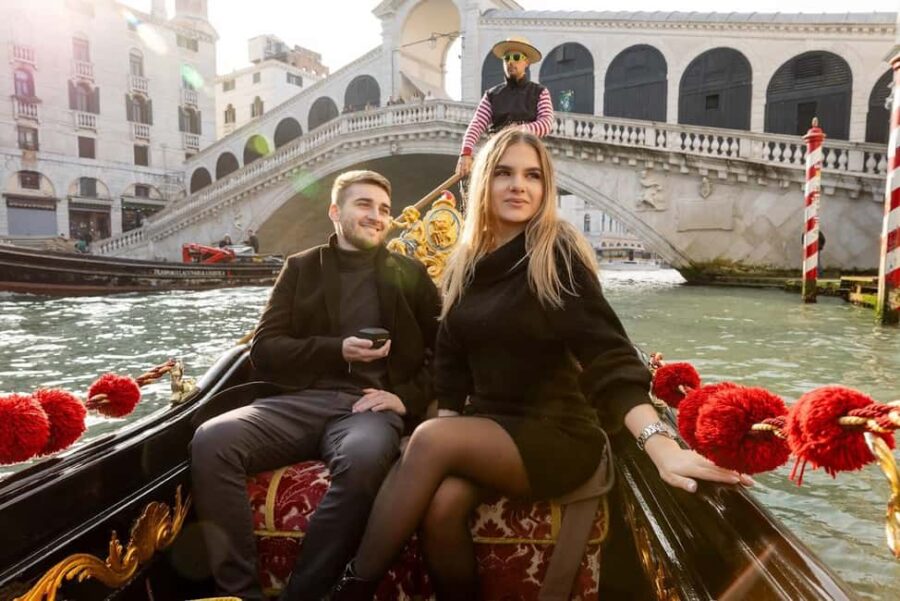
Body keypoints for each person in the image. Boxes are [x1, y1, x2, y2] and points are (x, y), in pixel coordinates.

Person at [330, 130, 753, 600]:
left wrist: (661, 446)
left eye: (533, 175)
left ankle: (350, 590)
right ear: (485, 183)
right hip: (491, 426)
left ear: (545, 187)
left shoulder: (556, 253)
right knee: (442, 506)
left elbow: (606, 354)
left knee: (427, 439)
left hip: (558, 434)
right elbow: (451, 359)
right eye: (505, 173)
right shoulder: (467, 261)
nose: (519, 186)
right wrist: (448, 428)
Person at [190, 170, 441, 601]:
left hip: (368, 408)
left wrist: (404, 398)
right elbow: (265, 350)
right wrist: (336, 350)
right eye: (364, 205)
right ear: (335, 212)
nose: (377, 216)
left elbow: (445, 354)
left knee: (362, 459)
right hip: (299, 403)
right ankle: (239, 593)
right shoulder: (300, 268)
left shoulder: (410, 273)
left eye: (384, 209)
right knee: (211, 440)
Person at [455, 37, 555, 179]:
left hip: (528, 153)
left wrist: (516, 131)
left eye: (516, 57)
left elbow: (546, 124)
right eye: (506, 58)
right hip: (497, 155)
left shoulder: (540, 92)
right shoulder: (491, 95)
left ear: (526, 62)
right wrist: (466, 152)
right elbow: (476, 125)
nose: (510, 62)